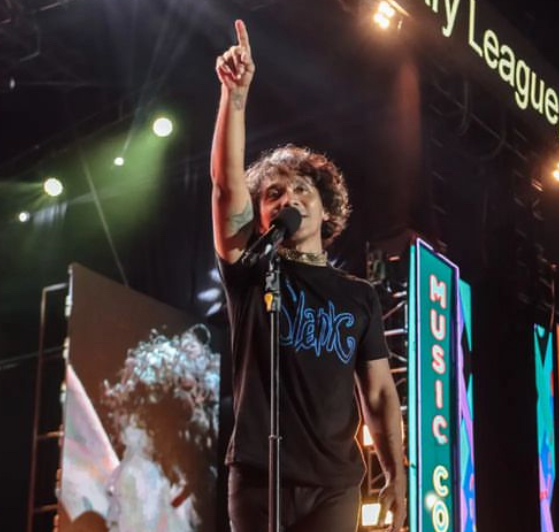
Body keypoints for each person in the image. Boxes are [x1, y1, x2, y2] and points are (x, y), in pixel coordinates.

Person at [210, 19, 406, 532]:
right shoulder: (250, 271)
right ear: (261, 215)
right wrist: (235, 96)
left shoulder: (358, 296)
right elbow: (226, 186)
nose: (287, 199)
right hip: (258, 475)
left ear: (326, 211)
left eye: (302, 190)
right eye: (273, 194)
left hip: (334, 485)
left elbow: (379, 394)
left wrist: (397, 472)